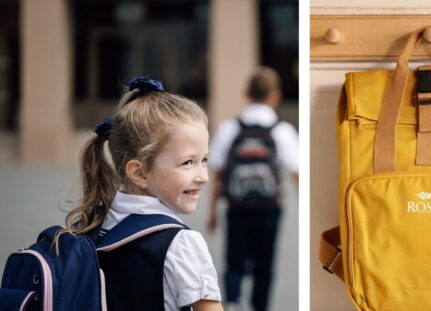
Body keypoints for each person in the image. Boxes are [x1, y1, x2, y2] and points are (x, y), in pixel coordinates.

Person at [59, 76, 224, 311]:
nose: (203, 176)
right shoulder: (182, 244)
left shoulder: (91, 225)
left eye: (204, 160)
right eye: (188, 162)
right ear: (139, 172)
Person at [208, 67, 298, 311]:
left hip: (237, 207)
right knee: (264, 267)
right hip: (269, 209)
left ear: (246, 93)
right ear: (276, 95)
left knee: (233, 263)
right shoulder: (282, 131)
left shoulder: (230, 128)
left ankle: (234, 303)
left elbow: (218, 173)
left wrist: (213, 212)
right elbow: (296, 172)